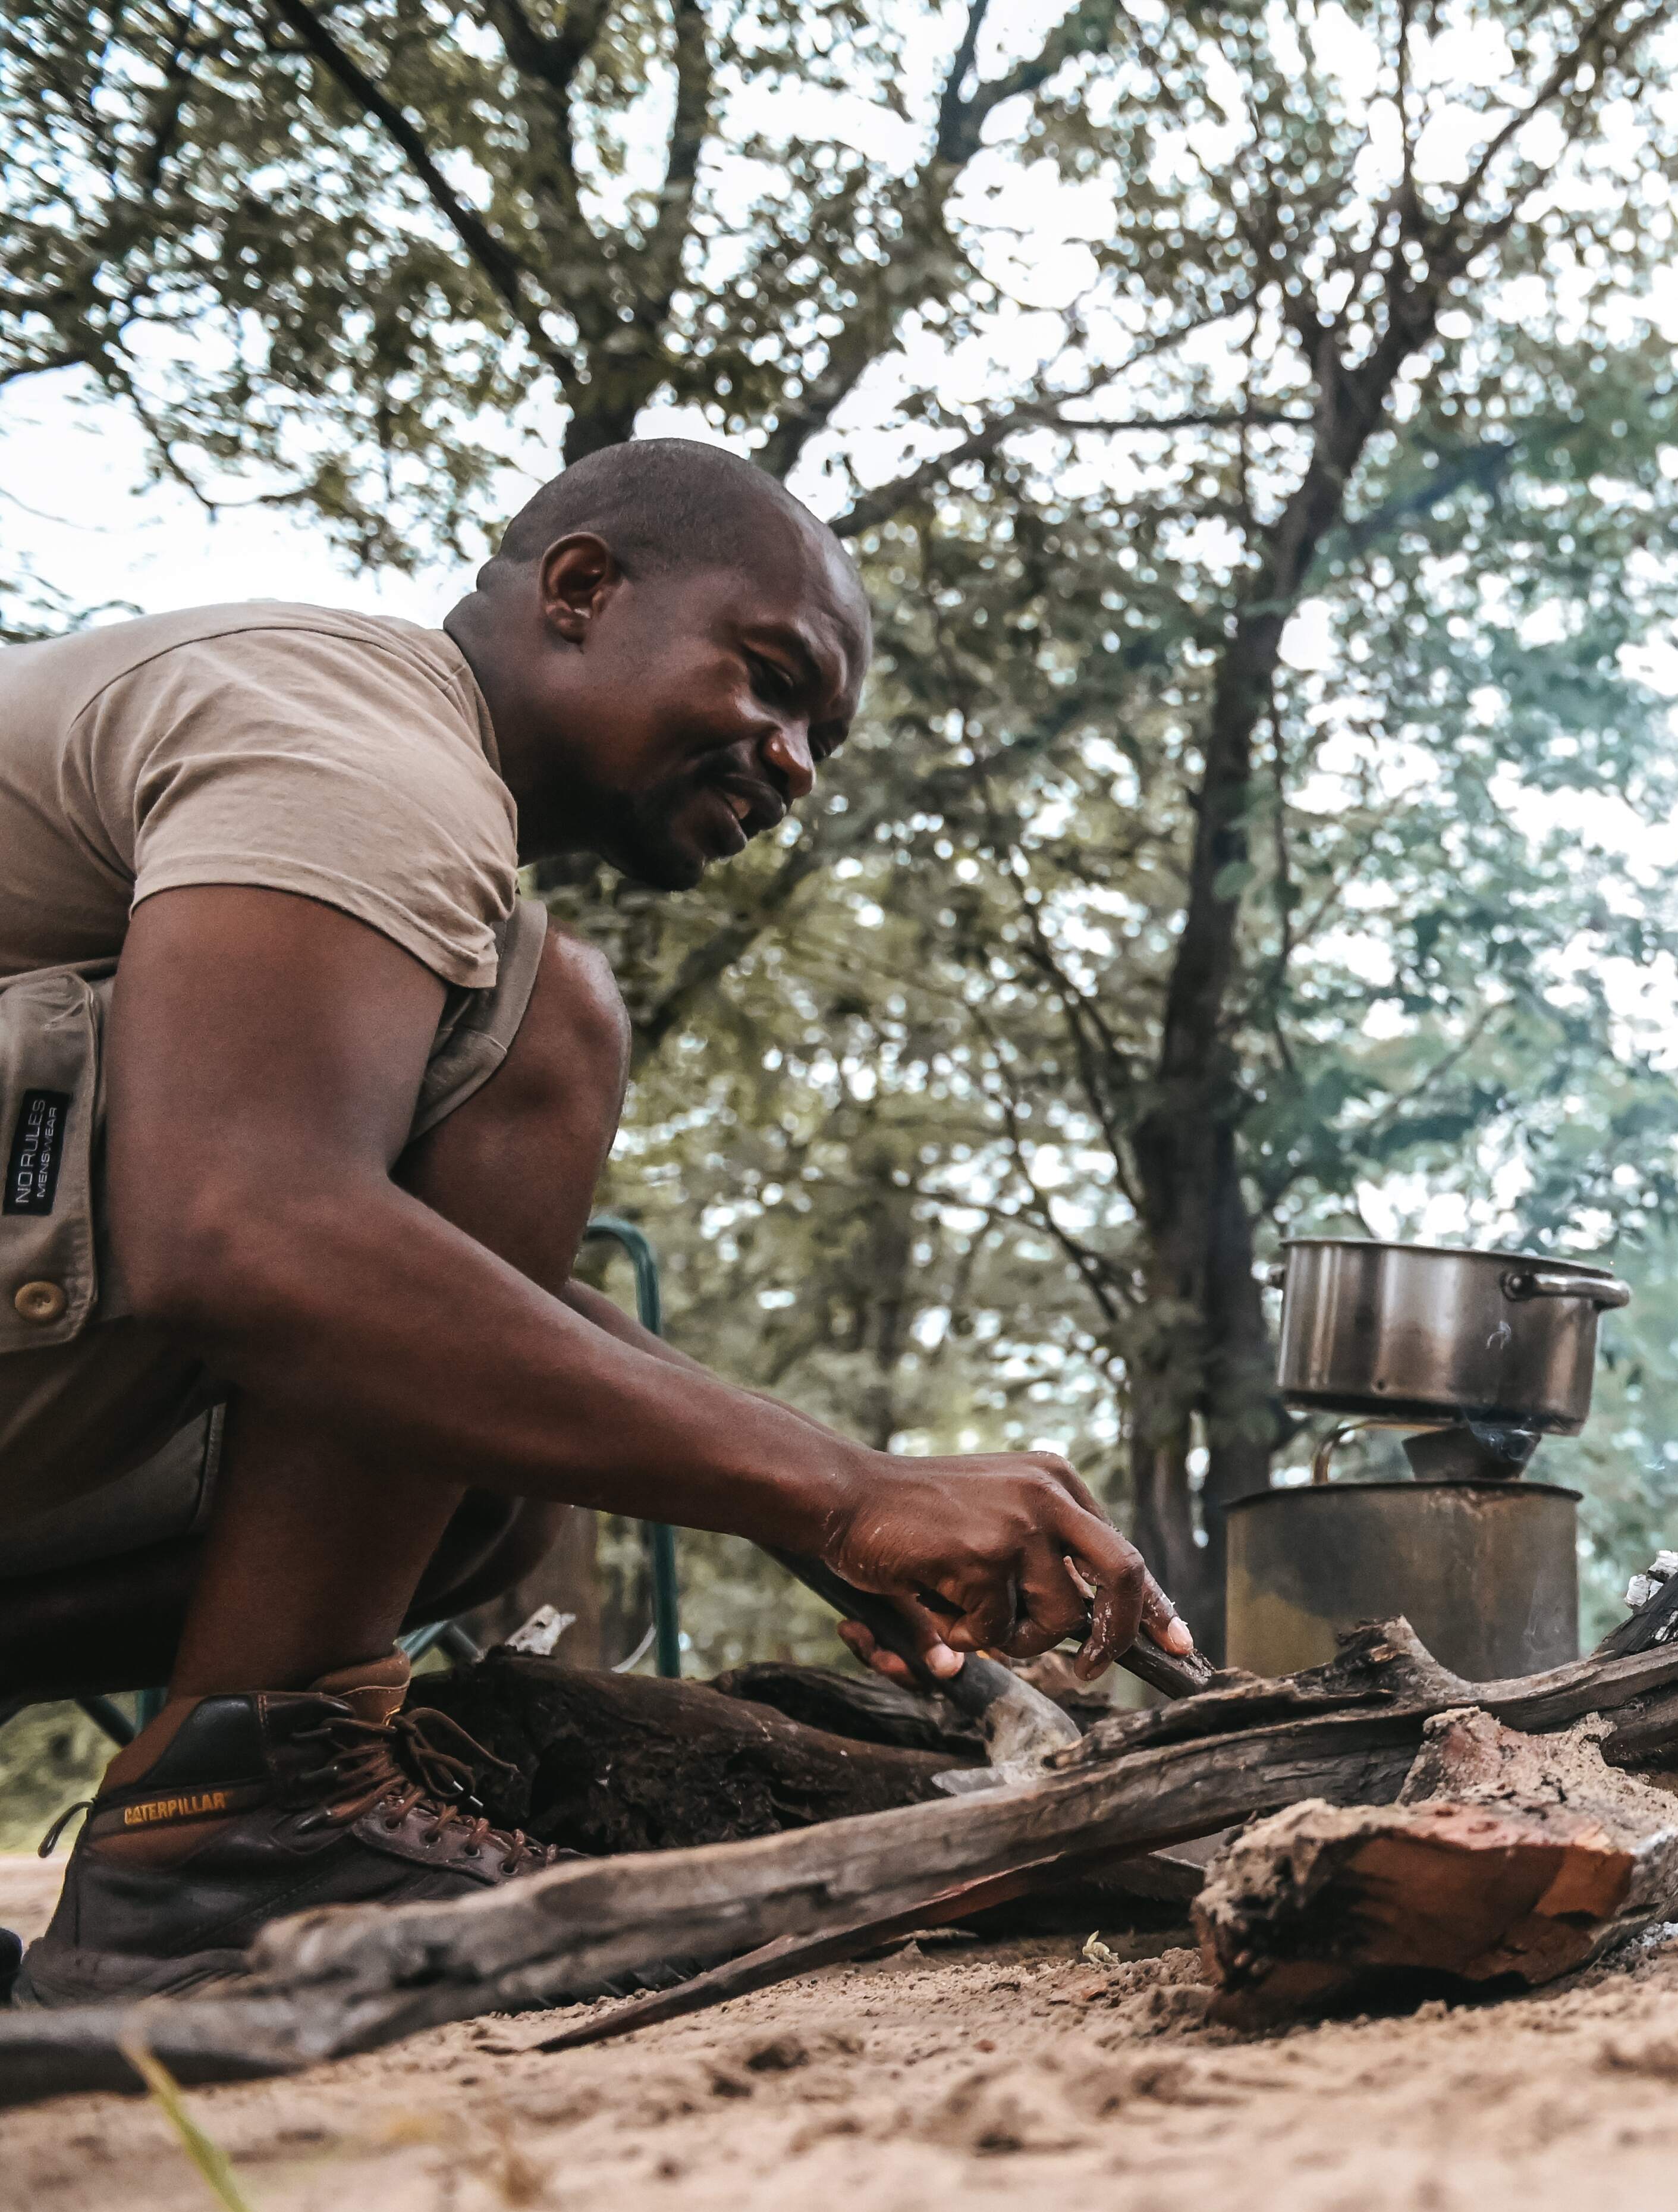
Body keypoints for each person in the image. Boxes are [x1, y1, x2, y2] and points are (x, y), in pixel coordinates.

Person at [0, 440, 1190, 2005]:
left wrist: (810, 1495)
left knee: (481, 1469)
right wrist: (838, 1491)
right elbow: (248, 1228)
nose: (796, 762)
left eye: (822, 737)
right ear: (579, 590)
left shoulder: (359, 771)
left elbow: (446, 1300)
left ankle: (229, 1825)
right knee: (544, 1013)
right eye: (774, 681)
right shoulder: (367, 743)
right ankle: (243, 1830)